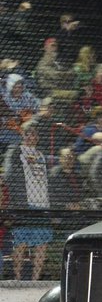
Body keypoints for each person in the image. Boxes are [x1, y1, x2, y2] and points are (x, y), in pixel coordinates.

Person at [1, 119, 52, 280]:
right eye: (28, 133)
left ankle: (35, 279)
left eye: (34, 134)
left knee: (42, 244)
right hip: (26, 204)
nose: (31, 137)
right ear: (23, 135)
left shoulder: (41, 155)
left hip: (42, 205)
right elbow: (9, 176)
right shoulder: (16, 151)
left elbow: (46, 180)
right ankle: (17, 278)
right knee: (21, 242)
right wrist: (18, 202)